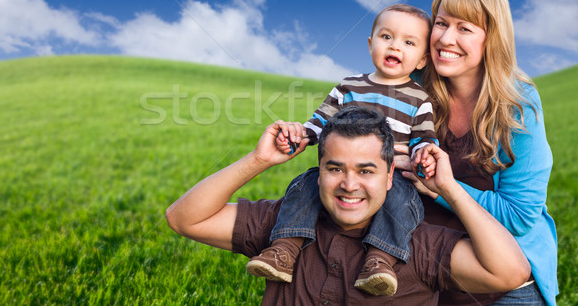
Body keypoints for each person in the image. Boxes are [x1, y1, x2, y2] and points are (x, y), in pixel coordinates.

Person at [165, 107, 531, 305]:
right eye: (335, 168)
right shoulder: (285, 227)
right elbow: (184, 218)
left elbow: (509, 273)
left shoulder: (416, 245)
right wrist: (259, 160)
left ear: (390, 177)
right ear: (318, 172)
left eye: (366, 170)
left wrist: (448, 189)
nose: (349, 184)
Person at [246, 4, 439, 296]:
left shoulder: (419, 98)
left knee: (402, 198)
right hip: (340, 170)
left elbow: (424, 138)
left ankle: (380, 260)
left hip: (391, 176)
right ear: (370, 43)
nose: (395, 46)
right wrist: (299, 135)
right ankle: (284, 250)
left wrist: (424, 153)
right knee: (305, 184)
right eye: (386, 37)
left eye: (408, 42)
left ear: (423, 59)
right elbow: (320, 123)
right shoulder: (348, 87)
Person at [402, 0, 557, 305]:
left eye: (464, 29)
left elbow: (518, 215)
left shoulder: (518, 104)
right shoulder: (410, 85)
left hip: (507, 278)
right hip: (427, 269)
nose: (446, 38)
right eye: (441, 24)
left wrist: (440, 187)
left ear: (492, 39)